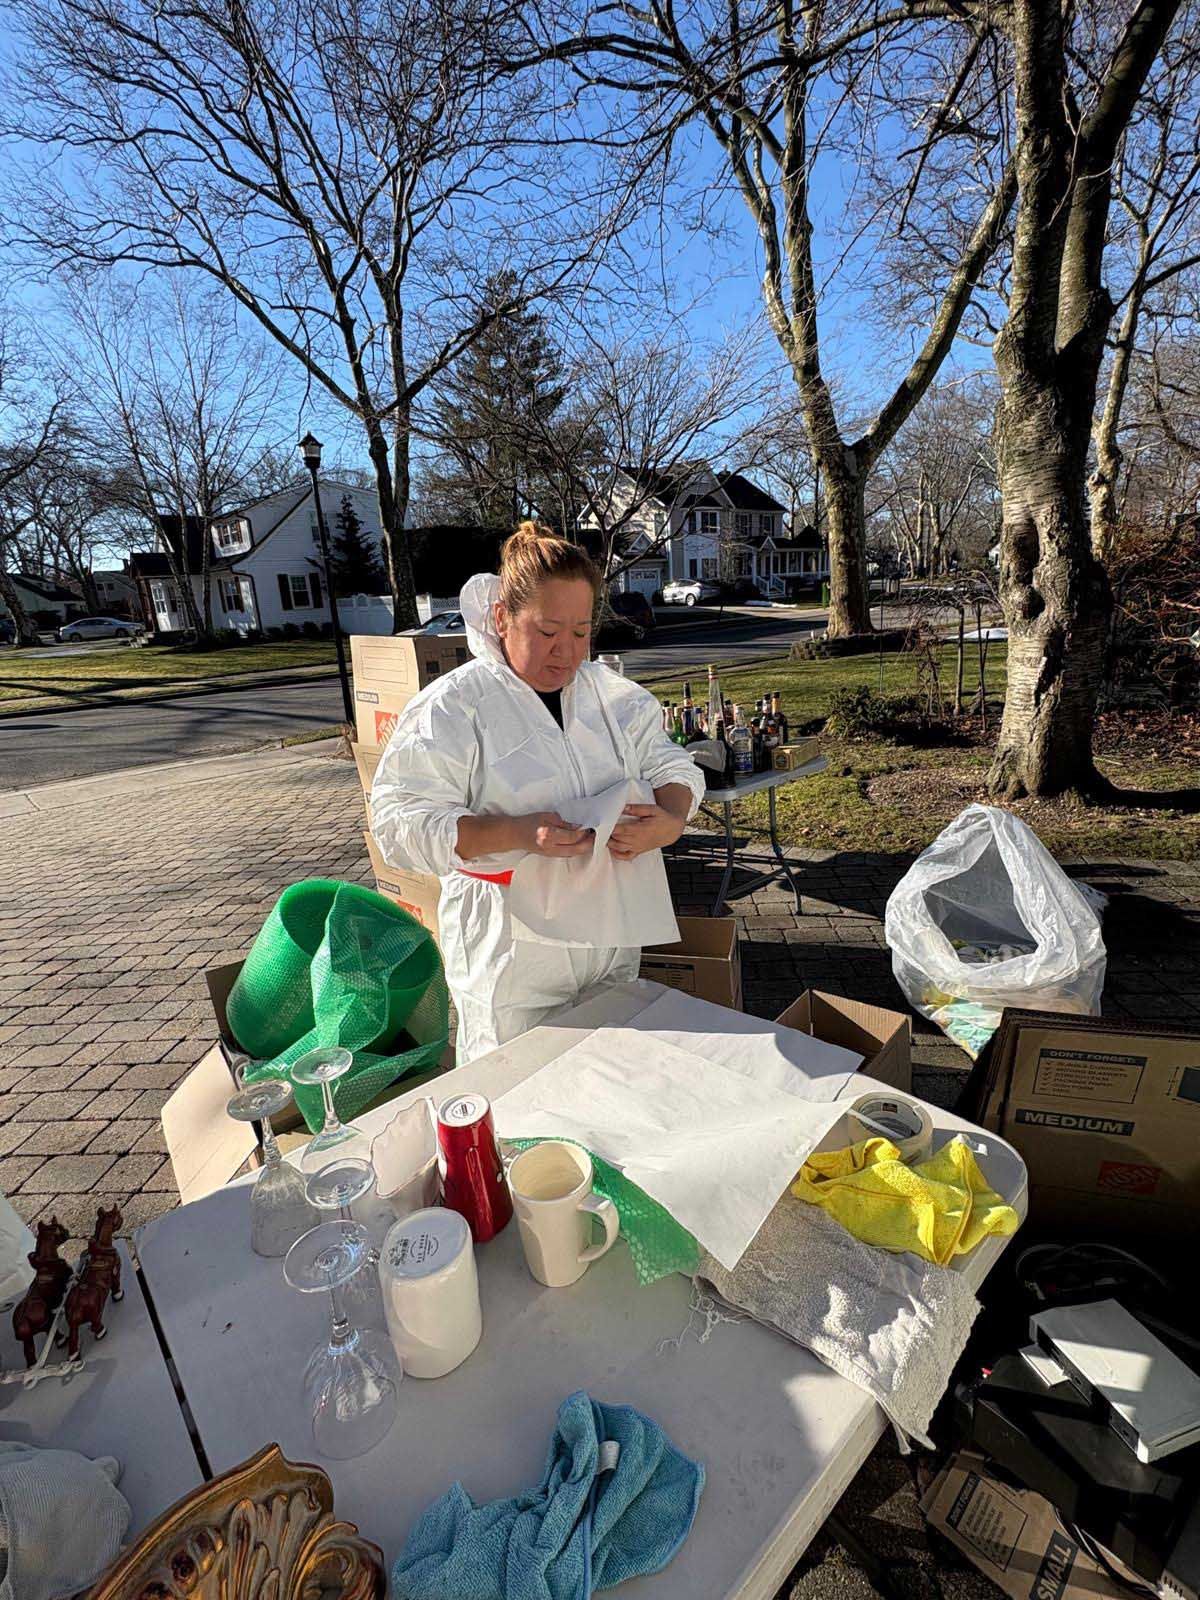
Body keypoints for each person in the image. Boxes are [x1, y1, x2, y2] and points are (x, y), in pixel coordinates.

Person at [371, 522, 705, 1064]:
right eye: (548, 631)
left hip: (609, 929)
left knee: (611, 1067)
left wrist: (672, 816)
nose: (566, 652)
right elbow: (398, 822)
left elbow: (669, 761)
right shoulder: (456, 706)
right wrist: (518, 832)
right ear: (502, 617)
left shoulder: (607, 694)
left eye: (580, 631)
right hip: (512, 949)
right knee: (516, 1084)